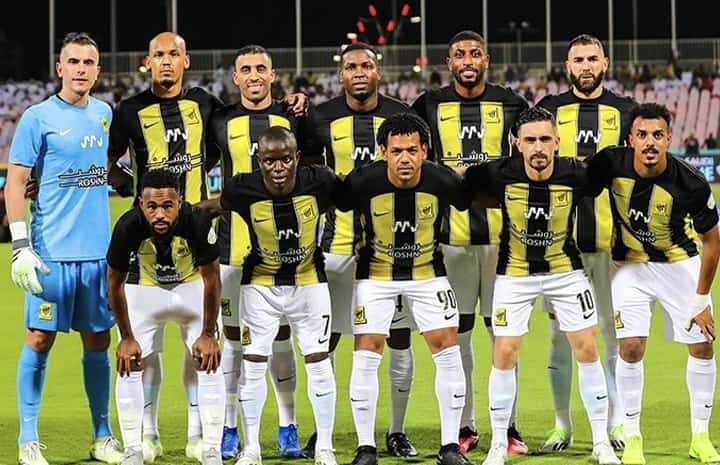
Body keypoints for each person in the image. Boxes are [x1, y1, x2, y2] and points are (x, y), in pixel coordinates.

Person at [463, 107, 619, 465]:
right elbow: (461, 185)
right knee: (504, 353)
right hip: (514, 273)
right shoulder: (497, 173)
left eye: (545, 139)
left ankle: (601, 442)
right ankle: (498, 443)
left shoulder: (577, 173)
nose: (538, 147)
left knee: (587, 349)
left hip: (565, 271)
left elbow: (611, 181)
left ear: (557, 141)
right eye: (530, 140)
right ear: (517, 143)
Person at [5, 32, 123, 465]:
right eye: (73, 62)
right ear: (60, 68)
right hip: (51, 254)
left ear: (98, 70)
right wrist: (21, 244)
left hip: (96, 255)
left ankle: (102, 437)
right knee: (39, 339)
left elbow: (104, 167)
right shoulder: (37, 117)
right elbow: (15, 183)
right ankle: (28, 440)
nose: (80, 69)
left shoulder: (105, 114)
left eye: (88, 63)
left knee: (98, 340)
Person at [411, 30, 529, 455]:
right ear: (449, 61)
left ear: (486, 60)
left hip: (503, 242)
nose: (467, 60)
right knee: (458, 337)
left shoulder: (512, 104)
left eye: (475, 53)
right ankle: (465, 426)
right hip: (451, 242)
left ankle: (508, 427)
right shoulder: (427, 105)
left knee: (504, 336)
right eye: (459, 54)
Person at [107, 31, 223, 461]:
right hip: (145, 257)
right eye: (159, 55)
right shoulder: (129, 110)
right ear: (148, 61)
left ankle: (198, 436)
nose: (167, 61)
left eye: (174, 54)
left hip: (195, 246)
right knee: (143, 352)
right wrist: (126, 185)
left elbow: (224, 146)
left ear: (186, 60)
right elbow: (108, 160)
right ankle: (148, 436)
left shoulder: (205, 104)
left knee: (202, 353)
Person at [586, 103, 720, 465]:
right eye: (642, 135)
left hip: (679, 265)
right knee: (630, 347)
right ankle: (632, 437)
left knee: (703, 346)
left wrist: (701, 299)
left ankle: (700, 437)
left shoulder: (690, 182)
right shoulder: (610, 163)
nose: (650, 142)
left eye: (657, 135)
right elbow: (577, 185)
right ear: (630, 138)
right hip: (630, 266)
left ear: (669, 139)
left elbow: (712, 243)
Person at [336, 113, 472, 465]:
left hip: (428, 274)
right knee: (367, 352)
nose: (405, 158)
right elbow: (337, 202)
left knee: (447, 349)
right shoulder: (362, 181)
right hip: (375, 277)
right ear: (383, 152)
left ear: (425, 150)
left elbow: (469, 197)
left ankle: (449, 447)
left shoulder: (443, 180)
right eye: (396, 151)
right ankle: (366, 448)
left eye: (412, 150)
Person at [302, 42, 417, 458]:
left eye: (366, 65)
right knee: (327, 341)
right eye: (351, 66)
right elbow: (308, 178)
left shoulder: (402, 117)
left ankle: (397, 431)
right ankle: (324, 431)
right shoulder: (320, 118)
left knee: (398, 338)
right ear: (341, 74)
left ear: (377, 71)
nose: (359, 72)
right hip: (334, 248)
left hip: (391, 250)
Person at [207, 44, 309, 459]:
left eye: (260, 69)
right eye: (245, 69)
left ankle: (288, 425)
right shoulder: (219, 120)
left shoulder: (293, 117)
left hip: (282, 247)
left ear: (272, 74)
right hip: (232, 245)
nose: (253, 76)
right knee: (233, 340)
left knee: (281, 339)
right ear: (235, 77)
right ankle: (229, 426)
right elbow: (195, 163)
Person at [535, 33, 636, 452]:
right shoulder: (549, 110)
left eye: (593, 58)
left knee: (611, 335)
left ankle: (615, 425)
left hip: (612, 246)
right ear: (567, 65)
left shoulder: (625, 111)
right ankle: (562, 425)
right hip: (560, 247)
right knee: (560, 336)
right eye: (578, 60)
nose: (586, 66)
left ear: (605, 62)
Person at [218, 127, 338, 465]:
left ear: (297, 157)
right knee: (253, 364)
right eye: (270, 161)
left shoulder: (320, 181)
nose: (278, 167)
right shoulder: (241, 188)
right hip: (259, 285)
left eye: (286, 159)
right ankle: (252, 448)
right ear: (259, 161)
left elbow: (350, 199)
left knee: (319, 363)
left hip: (309, 282)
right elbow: (210, 212)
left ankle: (325, 447)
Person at [106, 168, 225, 465]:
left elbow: (212, 279)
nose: (159, 214)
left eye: (167, 206)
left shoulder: (197, 221)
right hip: (145, 289)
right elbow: (114, 284)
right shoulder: (127, 227)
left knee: (208, 359)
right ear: (140, 205)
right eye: (152, 207)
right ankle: (135, 448)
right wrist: (126, 337)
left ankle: (210, 447)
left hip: (191, 287)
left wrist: (208, 334)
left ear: (180, 203)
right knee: (130, 362)